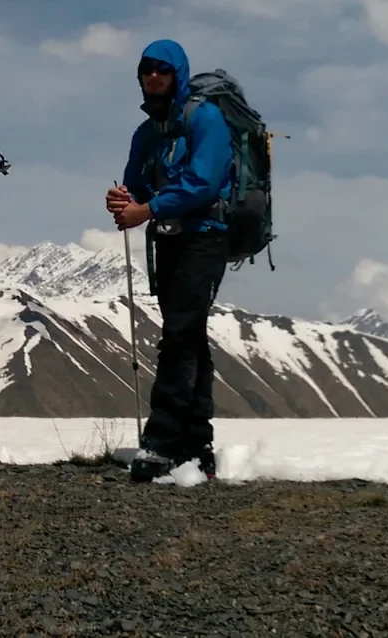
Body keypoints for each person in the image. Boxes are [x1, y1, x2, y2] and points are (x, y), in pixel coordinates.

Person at [105, 39, 233, 483]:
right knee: (189, 335)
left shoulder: (205, 118)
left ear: (177, 73)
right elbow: (137, 184)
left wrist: (146, 209)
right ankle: (197, 446)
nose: (153, 77)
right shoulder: (147, 134)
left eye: (162, 69)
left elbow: (203, 182)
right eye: (146, 70)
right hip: (169, 240)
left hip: (203, 238)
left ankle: (161, 442)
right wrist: (125, 200)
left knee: (179, 335)